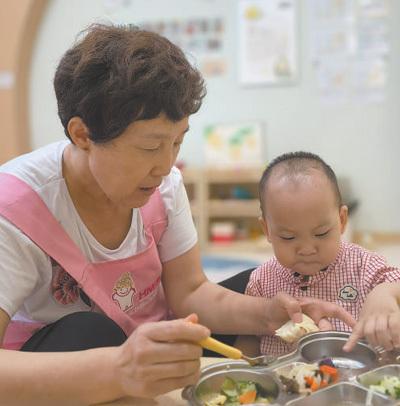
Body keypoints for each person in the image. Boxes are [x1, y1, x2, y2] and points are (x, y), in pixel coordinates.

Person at [0, 25, 355, 405]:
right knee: (89, 331)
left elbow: (189, 293)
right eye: (151, 146)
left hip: (155, 336)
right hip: (79, 357)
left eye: (178, 141)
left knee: (264, 281)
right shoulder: (16, 208)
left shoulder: (164, 183)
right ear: (83, 134)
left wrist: (267, 315)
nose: (166, 164)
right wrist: (120, 366)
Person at [237, 151, 400, 357]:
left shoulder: (365, 265)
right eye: (288, 237)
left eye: (321, 234)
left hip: (352, 380)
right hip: (283, 382)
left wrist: (385, 292)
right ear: (267, 230)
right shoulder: (262, 280)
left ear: (341, 220)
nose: (307, 249)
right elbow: (249, 336)